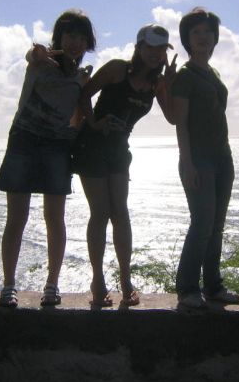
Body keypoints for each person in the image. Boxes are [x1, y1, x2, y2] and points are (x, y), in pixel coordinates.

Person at [0, 9, 96, 308]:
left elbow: (76, 118)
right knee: (16, 218)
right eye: (70, 35)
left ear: (88, 42)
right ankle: (8, 285)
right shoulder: (41, 62)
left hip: (57, 147)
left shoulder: (81, 76)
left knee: (55, 218)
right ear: (59, 37)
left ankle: (52, 285)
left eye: (81, 38)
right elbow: (32, 54)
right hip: (23, 142)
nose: (76, 42)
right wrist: (35, 52)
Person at [72, 24, 177, 307]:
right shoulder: (118, 69)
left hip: (119, 148)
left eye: (161, 49)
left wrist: (171, 83)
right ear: (139, 47)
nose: (155, 54)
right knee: (100, 213)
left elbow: (173, 117)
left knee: (121, 213)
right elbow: (83, 94)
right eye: (150, 47)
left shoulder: (157, 83)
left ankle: (126, 280)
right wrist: (94, 123)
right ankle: (97, 281)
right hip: (92, 145)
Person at [171, 7, 239, 309]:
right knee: (202, 224)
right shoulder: (185, 75)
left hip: (222, 157)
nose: (202, 37)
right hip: (198, 159)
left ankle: (213, 286)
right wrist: (187, 164)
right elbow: (181, 124)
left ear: (215, 37)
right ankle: (187, 288)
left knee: (216, 226)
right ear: (187, 38)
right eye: (196, 32)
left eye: (208, 32)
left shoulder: (213, 73)